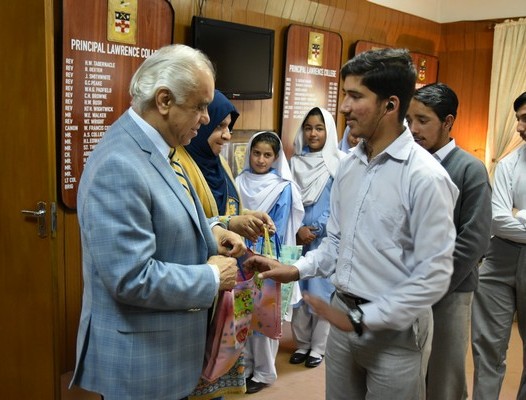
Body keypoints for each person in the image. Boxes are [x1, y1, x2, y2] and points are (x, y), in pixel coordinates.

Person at [245, 48, 459, 400]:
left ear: (390, 105)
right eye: (345, 94)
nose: (343, 107)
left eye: (355, 96)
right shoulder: (347, 167)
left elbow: (433, 277)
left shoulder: (425, 177)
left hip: (396, 330)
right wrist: (294, 270)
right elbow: (335, 244)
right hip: (343, 315)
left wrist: (365, 318)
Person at [70, 44, 247, 400]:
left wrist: (213, 231)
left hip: (164, 356)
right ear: (164, 100)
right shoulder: (120, 164)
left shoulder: (157, 146)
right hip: (141, 366)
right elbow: (131, 277)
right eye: (199, 106)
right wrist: (212, 277)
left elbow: (165, 217)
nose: (205, 118)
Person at [175, 89, 275, 399]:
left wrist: (248, 216)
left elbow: (227, 207)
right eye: (220, 126)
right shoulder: (179, 164)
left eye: (229, 127)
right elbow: (187, 221)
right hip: (199, 281)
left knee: (220, 360)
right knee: (197, 366)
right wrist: (230, 224)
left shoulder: (219, 163)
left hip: (227, 283)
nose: (227, 135)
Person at [406, 82, 492, 400]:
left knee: (444, 377)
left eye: (423, 120)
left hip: (450, 291)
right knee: (407, 373)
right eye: (409, 120)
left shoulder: (469, 169)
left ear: (448, 122)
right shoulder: (408, 164)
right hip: (405, 288)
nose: (413, 129)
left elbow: (474, 240)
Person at [235, 130, 304, 393]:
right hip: (240, 256)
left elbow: (282, 227)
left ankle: (265, 372)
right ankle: (246, 368)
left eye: (267, 155)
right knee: (243, 314)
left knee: (265, 316)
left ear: (276, 158)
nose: (261, 160)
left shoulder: (283, 187)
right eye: (256, 153)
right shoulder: (238, 181)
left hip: (268, 258)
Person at [471, 91, 526, 400]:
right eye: (518, 119)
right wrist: (513, 216)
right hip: (498, 260)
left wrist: (520, 214)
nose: (519, 127)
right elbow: (498, 221)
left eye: (525, 119)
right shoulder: (508, 164)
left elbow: (510, 218)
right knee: (487, 347)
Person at [288, 107, 345, 369]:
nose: (313, 133)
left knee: (321, 292)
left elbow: (338, 202)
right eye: (308, 127)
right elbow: (289, 200)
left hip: (325, 238)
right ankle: (302, 344)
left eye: (319, 128)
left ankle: (318, 347)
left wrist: (317, 228)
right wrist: (298, 228)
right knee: (299, 291)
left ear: (328, 131)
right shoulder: (294, 163)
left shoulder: (338, 163)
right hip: (298, 237)